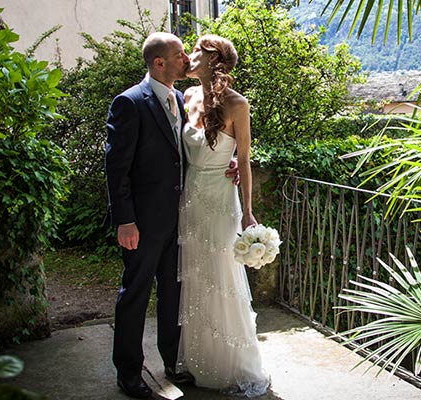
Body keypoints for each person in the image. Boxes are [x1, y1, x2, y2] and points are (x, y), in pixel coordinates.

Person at [105, 32, 237, 399]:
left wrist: (233, 162)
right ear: (159, 63)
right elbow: (117, 168)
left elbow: (196, 151)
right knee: (135, 293)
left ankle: (171, 364)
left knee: (173, 295)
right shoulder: (130, 102)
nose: (187, 60)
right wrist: (124, 220)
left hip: (182, 219)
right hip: (143, 223)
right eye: (180, 55)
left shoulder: (182, 98)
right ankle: (129, 372)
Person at [176, 34, 270, 397]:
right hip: (191, 198)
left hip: (220, 201)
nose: (188, 55)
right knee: (196, 278)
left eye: (195, 51)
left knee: (221, 277)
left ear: (213, 60)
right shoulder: (187, 97)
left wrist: (247, 212)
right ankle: (201, 362)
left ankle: (232, 364)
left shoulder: (237, 104)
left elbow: (243, 159)